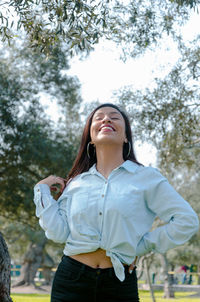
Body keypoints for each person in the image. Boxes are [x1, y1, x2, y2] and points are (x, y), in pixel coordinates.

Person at [33, 103, 199, 302]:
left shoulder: (147, 178)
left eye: (114, 117)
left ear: (126, 136)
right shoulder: (77, 183)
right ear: (91, 138)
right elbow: (58, 233)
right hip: (70, 280)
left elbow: (186, 220)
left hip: (119, 284)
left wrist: (141, 246)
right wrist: (42, 190)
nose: (106, 119)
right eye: (99, 117)